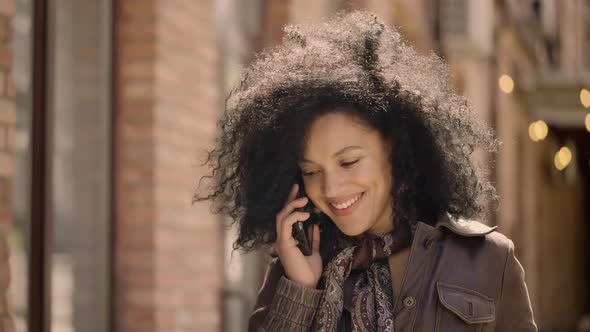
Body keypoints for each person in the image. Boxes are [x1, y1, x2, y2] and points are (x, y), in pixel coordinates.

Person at [195, 11, 537, 332]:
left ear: (396, 149)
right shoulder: (295, 266)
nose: (330, 187)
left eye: (349, 162)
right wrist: (300, 289)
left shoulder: (490, 260)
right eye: (311, 170)